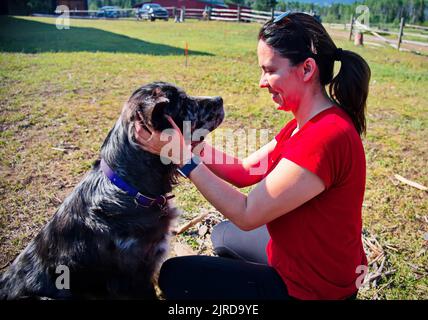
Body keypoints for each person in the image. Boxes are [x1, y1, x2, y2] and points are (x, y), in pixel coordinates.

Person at [134, 12, 371, 300]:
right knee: (223, 234)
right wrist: (190, 143)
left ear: (307, 69)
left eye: (269, 70)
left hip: (312, 291)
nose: (262, 82)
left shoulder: (326, 136)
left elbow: (247, 214)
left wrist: (183, 158)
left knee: (176, 276)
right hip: (308, 260)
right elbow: (245, 170)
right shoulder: (307, 123)